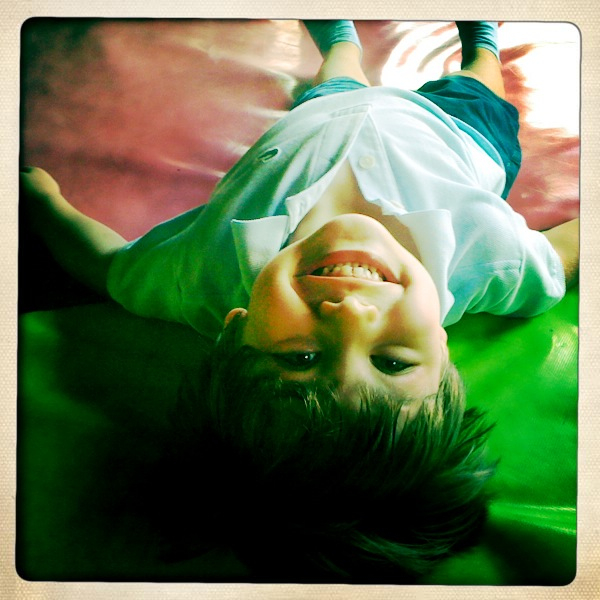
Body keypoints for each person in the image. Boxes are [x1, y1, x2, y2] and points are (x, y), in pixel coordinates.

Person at [20, 21, 579, 582]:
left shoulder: (203, 274)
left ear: (234, 333)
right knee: (479, 84)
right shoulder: (491, 259)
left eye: (301, 357)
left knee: (336, 74)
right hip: (459, 131)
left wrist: (43, 202)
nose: (351, 315)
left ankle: (341, 41)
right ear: (441, 347)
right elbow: (565, 255)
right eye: (391, 362)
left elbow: (106, 265)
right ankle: (482, 42)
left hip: (321, 116)